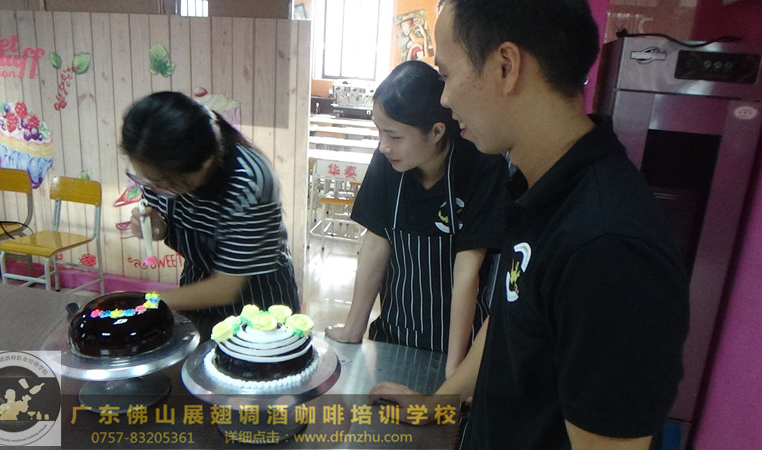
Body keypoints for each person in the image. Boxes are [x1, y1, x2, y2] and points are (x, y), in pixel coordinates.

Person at [369, 1, 690, 448]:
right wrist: (439, 405)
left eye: (447, 74)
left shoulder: (608, 248)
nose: (444, 99)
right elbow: (510, 317)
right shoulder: (539, 188)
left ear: (506, 66)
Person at [325, 60, 509, 377]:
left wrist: (454, 370)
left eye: (394, 136)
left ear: (437, 131)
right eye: (379, 132)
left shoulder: (481, 166)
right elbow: (376, 243)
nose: (383, 146)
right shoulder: (387, 162)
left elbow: (467, 271)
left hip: (459, 344)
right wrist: (354, 328)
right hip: (394, 337)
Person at [122, 91, 300, 337]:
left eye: (163, 182)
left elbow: (226, 288)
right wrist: (156, 228)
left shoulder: (249, 182)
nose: (154, 188)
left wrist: (146, 302)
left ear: (204, 164)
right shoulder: (159, 168)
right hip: (197, 292)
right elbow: (163, 218)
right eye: (146, 180)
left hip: (259, 307)